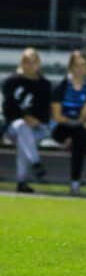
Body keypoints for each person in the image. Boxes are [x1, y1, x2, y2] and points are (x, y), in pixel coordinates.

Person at [51, 50, 86, 195]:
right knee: (81, 133)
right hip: (60, 129)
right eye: (77, 65)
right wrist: (74, 122)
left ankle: (75, 184)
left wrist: (80, 122)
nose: (80, 69)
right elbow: (57, 117)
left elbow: (84, 115)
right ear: (70, 67)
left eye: (83, 65)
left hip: (79, 129)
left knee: (78, 139)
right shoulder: (60, 87)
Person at [1, 48, 51, 193]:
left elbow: (45, 111)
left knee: (25, 138)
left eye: (33, 61)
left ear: (39, 64)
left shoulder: (44, 84)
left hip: (38, 127)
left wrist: (36, 120)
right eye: (26, 61)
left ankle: (22, 182)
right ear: (21, 63)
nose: (30, 65)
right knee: (23, 127)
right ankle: (36, 163)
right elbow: (8, 109)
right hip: (13, 127)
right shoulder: (10, 82)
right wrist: (24, 116)